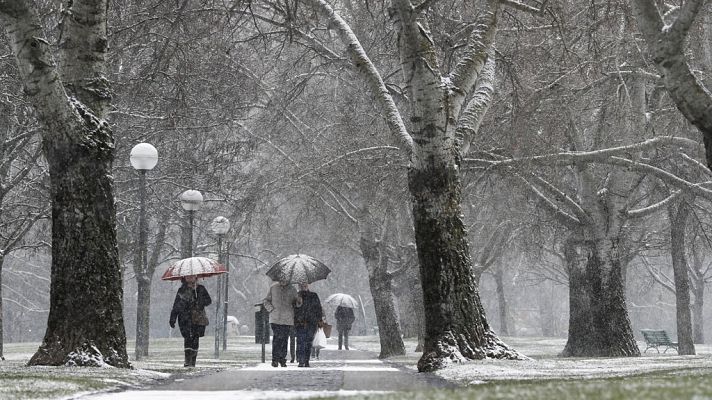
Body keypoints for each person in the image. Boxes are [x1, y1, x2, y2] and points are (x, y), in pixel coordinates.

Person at [169, 275, 212, 367]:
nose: (190, 278)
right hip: (184, 318)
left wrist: (199, 301)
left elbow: (208, 301)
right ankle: (187, 360)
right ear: (184, 278)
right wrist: (173, 318)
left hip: (197, 318)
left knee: (195, 338)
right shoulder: (182, 290)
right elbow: (176, 305)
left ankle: (193, 361)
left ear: (196, 277)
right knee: (187, 338)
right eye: (187, 277)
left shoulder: (201, 289)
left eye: (192, 276)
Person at [263, 279, 298, 367]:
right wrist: (271, 309)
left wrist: (298, 302)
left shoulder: (292, 289)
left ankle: (282, 359)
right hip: (275, 318)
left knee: (284, 339)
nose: (283, 280)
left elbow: (296, 303)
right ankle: (275, 359)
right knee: (277, 339)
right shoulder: (273, 287)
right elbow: (266, 300)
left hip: (287, 319)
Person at [294, 282, 324, 367]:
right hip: (300, 323)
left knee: (308, 342)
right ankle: (301, 360)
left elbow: (318, 308)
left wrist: (320, 320)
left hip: (311, 322)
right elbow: (294, 309)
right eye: (302, 285)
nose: (304, 286)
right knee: (300, 341)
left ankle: (306, 360)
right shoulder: (296, 296)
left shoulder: (314, 295)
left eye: (305, 284)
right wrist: (297, 303)